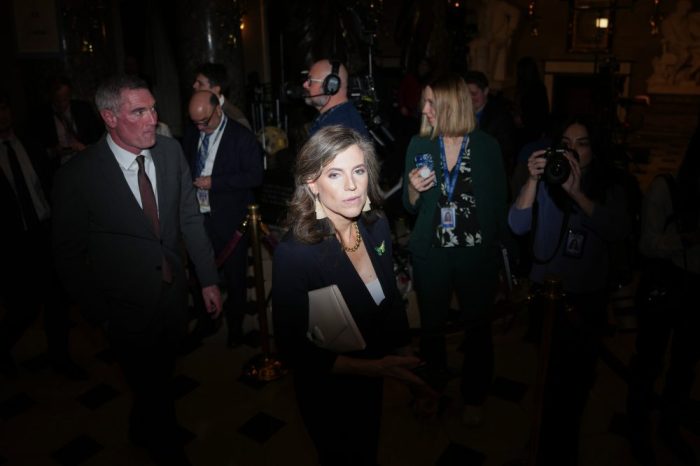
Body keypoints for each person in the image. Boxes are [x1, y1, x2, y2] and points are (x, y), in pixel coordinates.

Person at [52, 75, 222, 466]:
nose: (152, 120)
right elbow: (68, 255)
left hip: (173, 297)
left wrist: (208, 279)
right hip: (123, 309)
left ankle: (140, 427)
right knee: (154, 389)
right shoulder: (78, 175)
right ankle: (167, 448)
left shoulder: (170, 152)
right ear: (109, 117)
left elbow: (190, 219)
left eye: (153, 109)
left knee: (159, 378)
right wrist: (100, 313)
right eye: (138, 112)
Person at [272, 125, 427, 466]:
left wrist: (405, 357)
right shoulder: (295, 254)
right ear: (312, 182)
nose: (353, 186)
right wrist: (371, 367)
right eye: (335, 174)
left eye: (358, 171)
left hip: (374, 378)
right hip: (328, 389)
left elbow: (389, 300)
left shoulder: (376, 225)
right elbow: (291, 346)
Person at [508, 115, 631, 465]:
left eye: (582, 143)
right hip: (546, 297)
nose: (573, 151)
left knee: (577, 381)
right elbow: (517, 224)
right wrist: (533, 180)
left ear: (595, 149)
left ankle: (564, 448)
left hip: (584, 300)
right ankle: (541, 443)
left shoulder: (609, 185)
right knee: (547, 376)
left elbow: (617, 229)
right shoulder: (549, 178)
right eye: (566, 143)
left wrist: (576, 192)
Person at [402, 73, 510, 426]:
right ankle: (431, 391)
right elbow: (409, 205)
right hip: (432, 253)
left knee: (478, 329)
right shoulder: (419, 145)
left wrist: (499, 254)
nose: (425, 110)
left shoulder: (487, 147)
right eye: (425, 102)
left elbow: (500, 204)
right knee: (432, 331)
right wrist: (414, 190)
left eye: (432, 103)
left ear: (453, 105)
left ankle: (474, 395)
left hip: (475, 254)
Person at [626, 120, 700, 466]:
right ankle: (637, 429)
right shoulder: (665, 188)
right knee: (649, 361)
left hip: (695, 289)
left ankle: (669, 426)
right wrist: (683, 240)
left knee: (684, 365)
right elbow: (646, 244)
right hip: (666, 282)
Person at [0, 92, 84, 379]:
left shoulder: (29, 145)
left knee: (56, 300)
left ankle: (61, 359)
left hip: (45, 230)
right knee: (23, 305)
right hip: (14, 241)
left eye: (4, 108)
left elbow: (48, 183)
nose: (2, 115)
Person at [182, 90, 263, 348]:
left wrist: (215, 182)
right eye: (195, 122)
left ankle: (235, 329)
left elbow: (255, 176)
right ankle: (206, 322)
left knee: (235, 277)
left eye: (204, 121)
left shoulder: (242, 137)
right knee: (199, 274)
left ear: (218, 109)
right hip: (198, 219)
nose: (200, 127)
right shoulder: (192, 132)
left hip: (230, 220)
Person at [36, 76, 103, 167]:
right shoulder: (42, 117)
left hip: (86, 160)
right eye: (57, 100)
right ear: (51, 96)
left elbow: (98, 137)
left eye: (65, 99)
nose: (62, 104)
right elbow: (38, 151)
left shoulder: (83, 109)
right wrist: (53, 151)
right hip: (60, 166)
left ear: (70, 94)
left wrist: (85, 148)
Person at [463, 70, 517, 180]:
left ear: (486, 91)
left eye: (474, 94)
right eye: (466, 94)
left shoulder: (500, 116)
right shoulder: (461, 114)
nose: (470, 98)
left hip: (490, 173)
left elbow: (505, 151)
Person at [303, 59, 370, 139]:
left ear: (331, 85)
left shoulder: (339, 130)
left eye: (310, 80)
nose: (305, 85)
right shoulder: (335, 117)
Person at [192, 62, 252, 131]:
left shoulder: (236, 118)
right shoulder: (194, 112)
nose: (194, 86)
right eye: (195, 82)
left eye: (200, 84)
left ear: (216, 89)